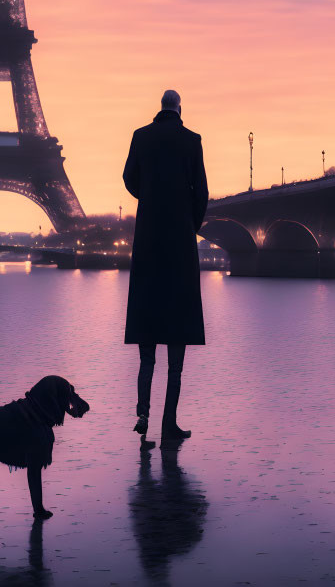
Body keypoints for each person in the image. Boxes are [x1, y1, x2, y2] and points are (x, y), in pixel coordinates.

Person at [123, 89, 209, 446]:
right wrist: (189, 225)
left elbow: (129, 179)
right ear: (180, 109)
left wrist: (152, 194)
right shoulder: (192, 141)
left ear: (160, 108)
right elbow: (202, 192)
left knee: (147, 351)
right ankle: (168, 422)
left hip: (148, 247)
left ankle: (141, 413)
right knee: (176, 349)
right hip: (179, 251)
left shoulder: (141, 137)